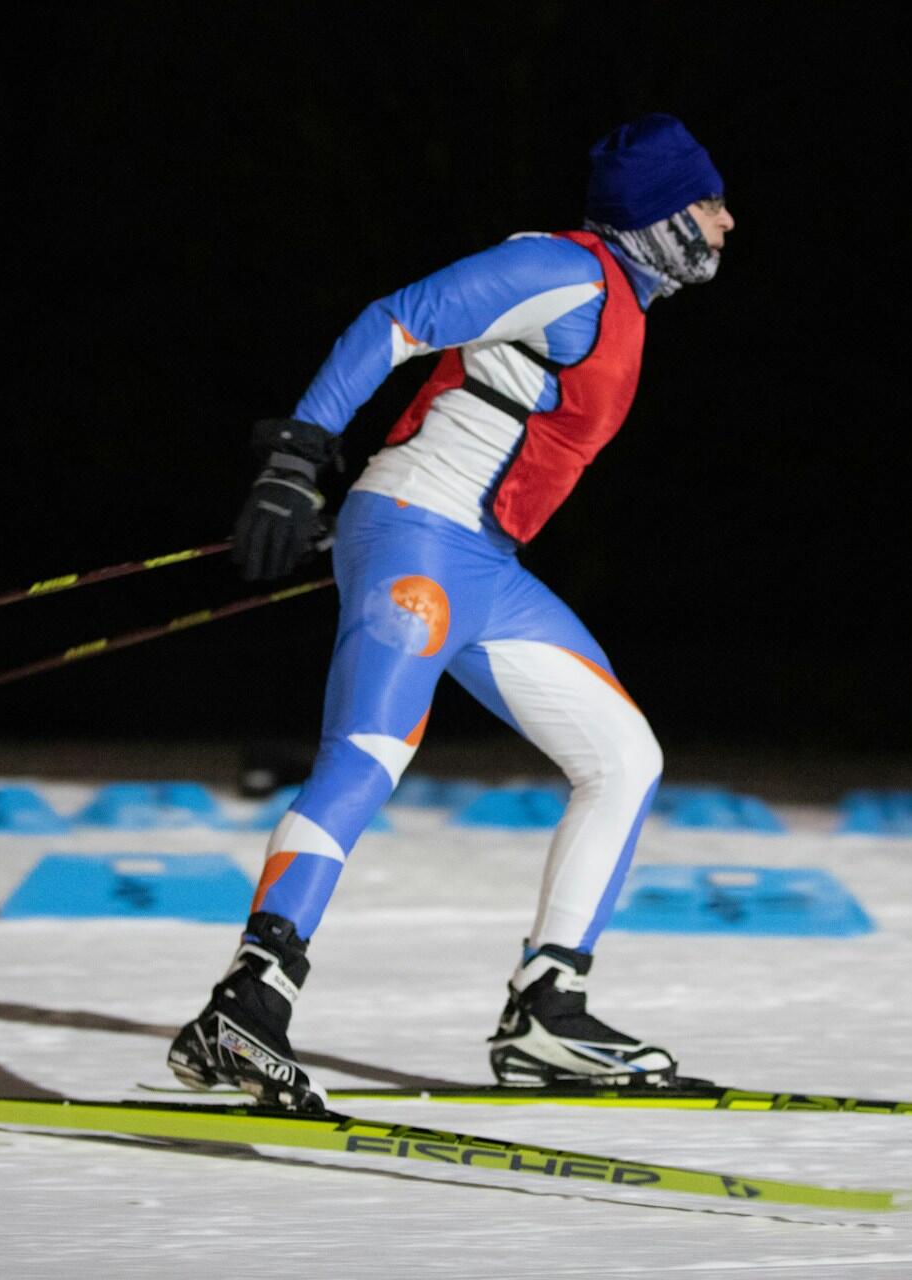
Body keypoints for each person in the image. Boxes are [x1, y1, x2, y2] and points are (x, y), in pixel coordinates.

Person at [169, 114, 736, 1109]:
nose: (728, 223)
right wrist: (298, 458)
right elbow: (395, 317)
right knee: (367, 753)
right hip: (419, 537)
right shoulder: (565, 269)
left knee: (624, 755)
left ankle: (547, 1013)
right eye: (708, 204)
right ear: (658, 214)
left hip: (481, 564)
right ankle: (248, 999)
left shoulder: (624, 303)